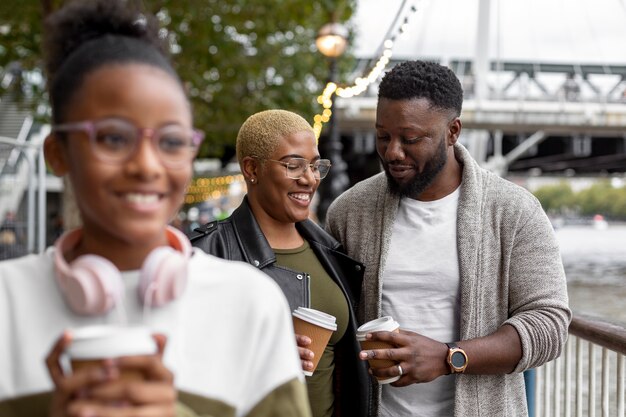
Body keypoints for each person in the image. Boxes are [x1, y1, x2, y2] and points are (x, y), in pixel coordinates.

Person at [0, 2, 310, 416]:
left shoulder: (250, 304)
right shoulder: (7, 302)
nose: (146, 166)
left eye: (170, 141)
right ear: (57, 154)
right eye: (112, 138)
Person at [325, 60, 571, 417]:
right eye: (383, 136)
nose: (393, 152)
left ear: (453, 131)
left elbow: (548, 324)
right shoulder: (349, 211)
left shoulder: (514, 210)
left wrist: (448, 357)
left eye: (410, 139)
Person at [190, 109, 370, 417]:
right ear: (252, 168)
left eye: (315, 166)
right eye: (293, 165)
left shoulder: (331, 252)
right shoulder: (205, 255)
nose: (310, 178)